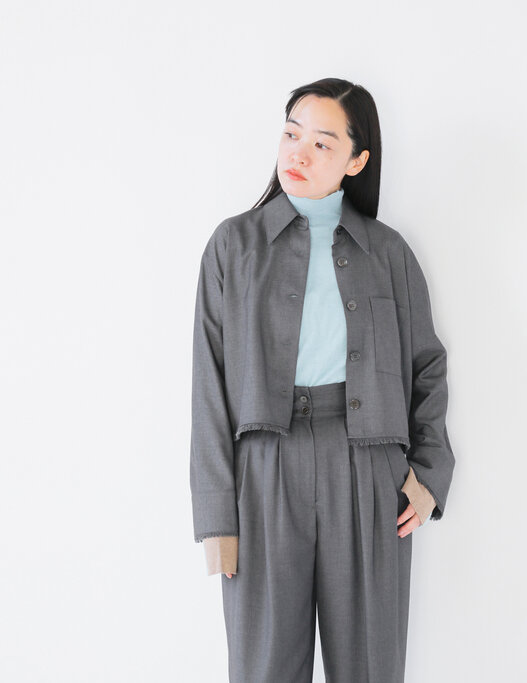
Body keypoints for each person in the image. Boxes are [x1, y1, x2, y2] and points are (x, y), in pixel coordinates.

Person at [189, 77, 455, 683]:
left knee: (370, 666)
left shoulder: (389, 253)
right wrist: (216, 516)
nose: (299, 154)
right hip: (263, 472)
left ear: (356, 161)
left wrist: (429, 476)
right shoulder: (232, 247)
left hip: (369, 468)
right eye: (291, 135)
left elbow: (428, 366)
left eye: (322, 144)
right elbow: (208, 384)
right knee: (263, 668)